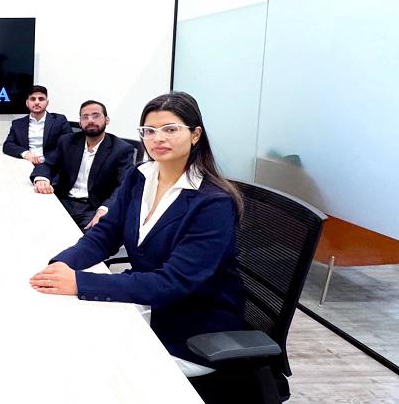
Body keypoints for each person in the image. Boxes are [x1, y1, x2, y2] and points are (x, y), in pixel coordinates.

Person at [29, 91, 246, 375]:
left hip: (194, 330)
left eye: (171, 129)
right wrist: (60, 265)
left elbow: (173, 282)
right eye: (149, 131)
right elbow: (107, 233)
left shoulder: (213, 203)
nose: (158, 138)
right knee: (59, 338)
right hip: (149, 303)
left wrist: (79, 282)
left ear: (195, 135)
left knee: (87, 367)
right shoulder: (140, 176)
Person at [30, 100, 134, 230]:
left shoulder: (121, 149)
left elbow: (124, 185)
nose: (90, 120)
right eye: (85, 117)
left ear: (107, 120)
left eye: (95, 116)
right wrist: (42, 179)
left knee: (93, 237)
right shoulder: (67, 141)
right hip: (63, 200)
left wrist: (105, 209)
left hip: (94, 207)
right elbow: (48, 164)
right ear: (80, 123)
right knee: (33, 223)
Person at [2, 85, 72, 165]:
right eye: (33, 99)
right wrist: (25, 154)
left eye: (41, 99)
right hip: (26, 163)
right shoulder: (17, 124)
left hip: (51, 165)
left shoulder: (59, 120)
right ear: (27, 103)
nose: (37, 102)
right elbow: (7, 145)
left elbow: (70, 143)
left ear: (47, 103)